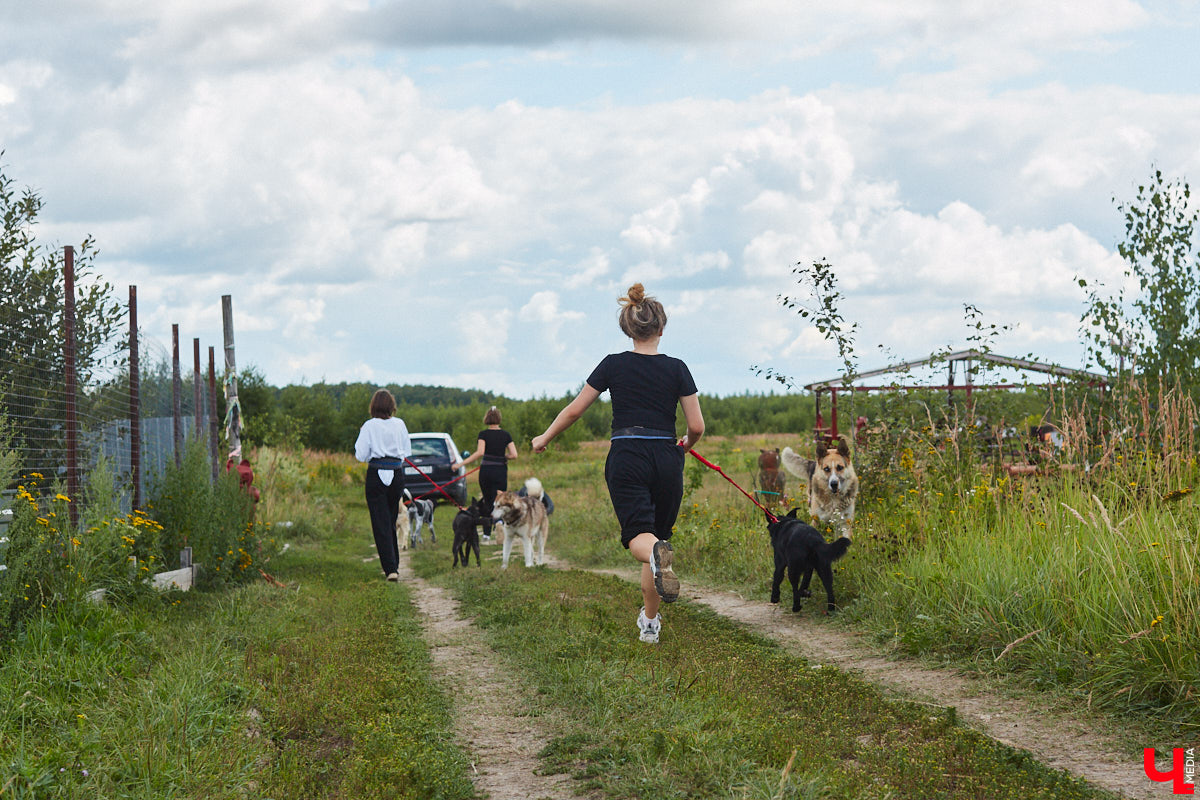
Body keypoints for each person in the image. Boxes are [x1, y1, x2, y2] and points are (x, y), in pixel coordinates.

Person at [532, 283, 704, 644]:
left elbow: (576, 409)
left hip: (627, 455)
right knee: (656, 539)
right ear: (661, 328)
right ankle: (650, 624)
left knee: (640, 540)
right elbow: (696, 426)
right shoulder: (678, 368)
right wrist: (685, 446)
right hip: (666, 456)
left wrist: (545, 438)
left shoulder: (613, 364)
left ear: (628, 328)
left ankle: (657, 568)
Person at [354, 388, 412, 581]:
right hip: (396, 474)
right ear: (391, 406)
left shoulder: (369, 426)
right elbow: (406, 452)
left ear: (373, 406)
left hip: (376, 474)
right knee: (390, 518)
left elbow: (360, 455)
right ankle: (393, 564)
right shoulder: (400, 424)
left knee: (381, 523)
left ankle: (390, 569)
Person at [452, 406, 518, 541]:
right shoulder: (506, 435)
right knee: (500, 499)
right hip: (500, 470)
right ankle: (500, 523)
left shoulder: (483, 434)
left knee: (488, 501)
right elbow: (514, 455)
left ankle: (487, 534)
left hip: (486, 471)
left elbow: (480, 452)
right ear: (499, 418)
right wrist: (504, 456)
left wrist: (461, 464)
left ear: (487, 418)